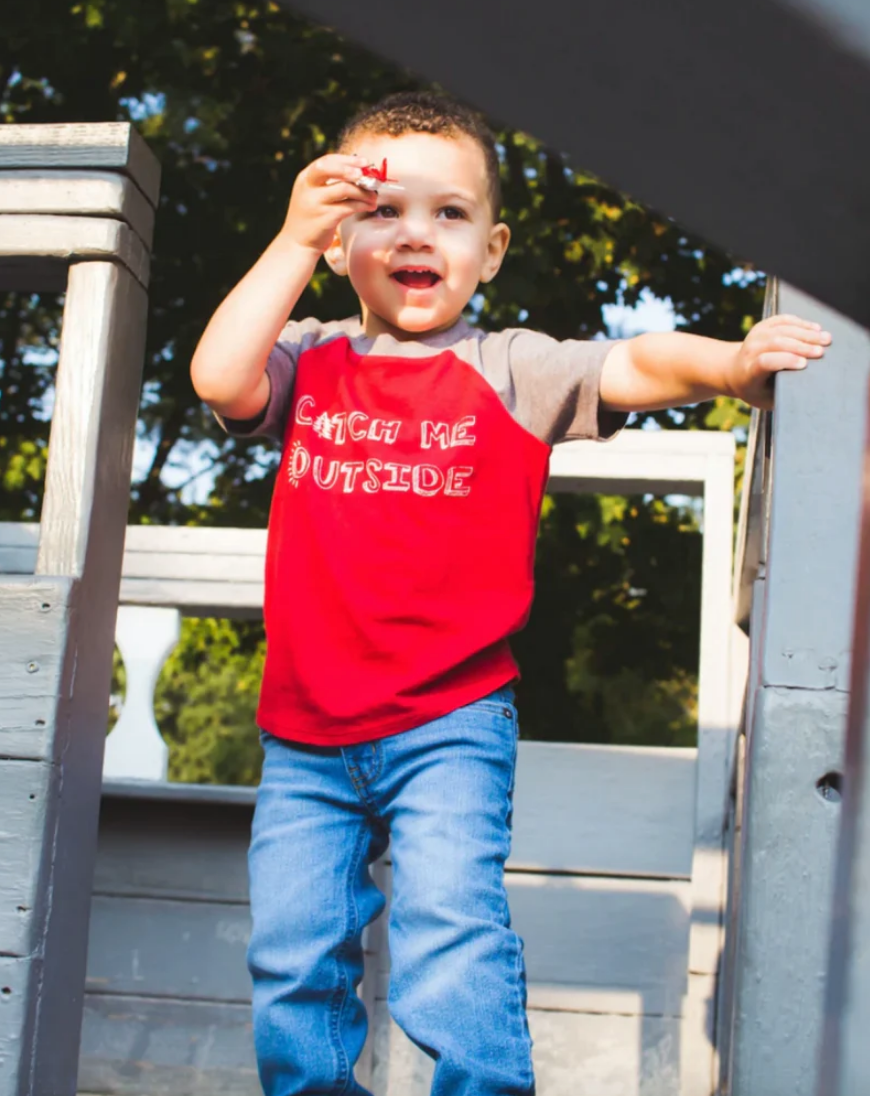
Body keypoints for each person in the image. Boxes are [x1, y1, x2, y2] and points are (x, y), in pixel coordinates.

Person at [190, 90, 830, 1096]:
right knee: (292, 948)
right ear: (336, 237)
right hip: (306, 731)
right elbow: (219, 378)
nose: (417, 235)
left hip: (448, 721)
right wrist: (287, 240)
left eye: (449, 216)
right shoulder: (310, 358)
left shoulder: (508, 367)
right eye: (384, 211)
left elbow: (632, 361)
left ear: (490, 251)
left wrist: (732, 365)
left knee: (452, 937)